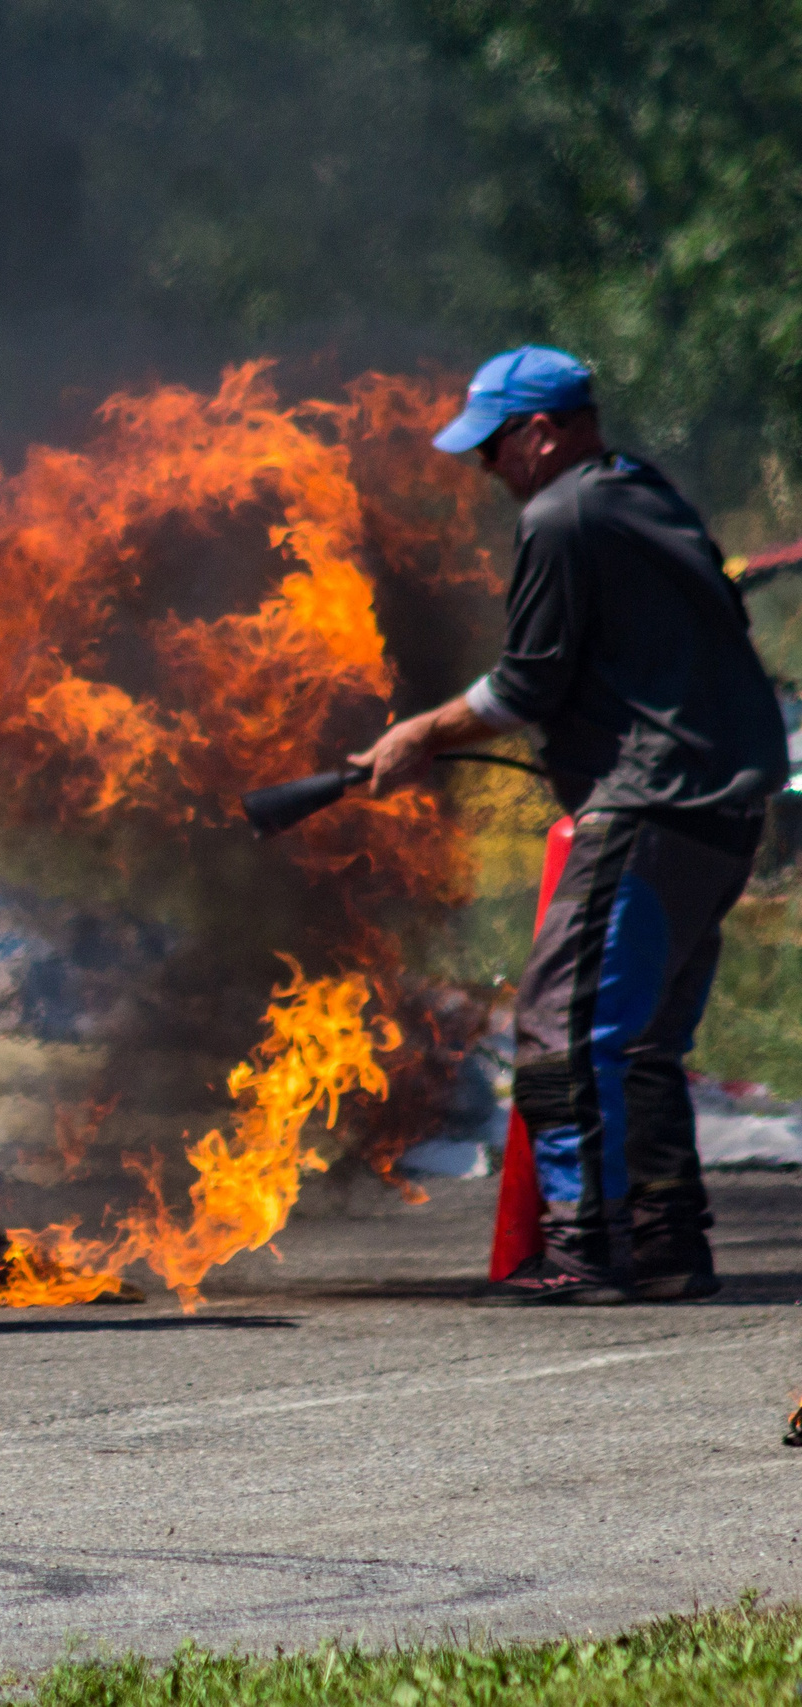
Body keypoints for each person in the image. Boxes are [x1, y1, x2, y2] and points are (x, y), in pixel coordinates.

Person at [351, 345, 790, 1305]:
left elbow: (526, 682)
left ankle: (587, 1247)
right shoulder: (640, 490)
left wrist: (419, 733)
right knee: (641, 1040)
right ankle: (666, 1243)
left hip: (647, 806)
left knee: (564, 1029)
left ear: (541, 433)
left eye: (493, 447)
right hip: (722, 808)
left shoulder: (563, 512)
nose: (486, 469)